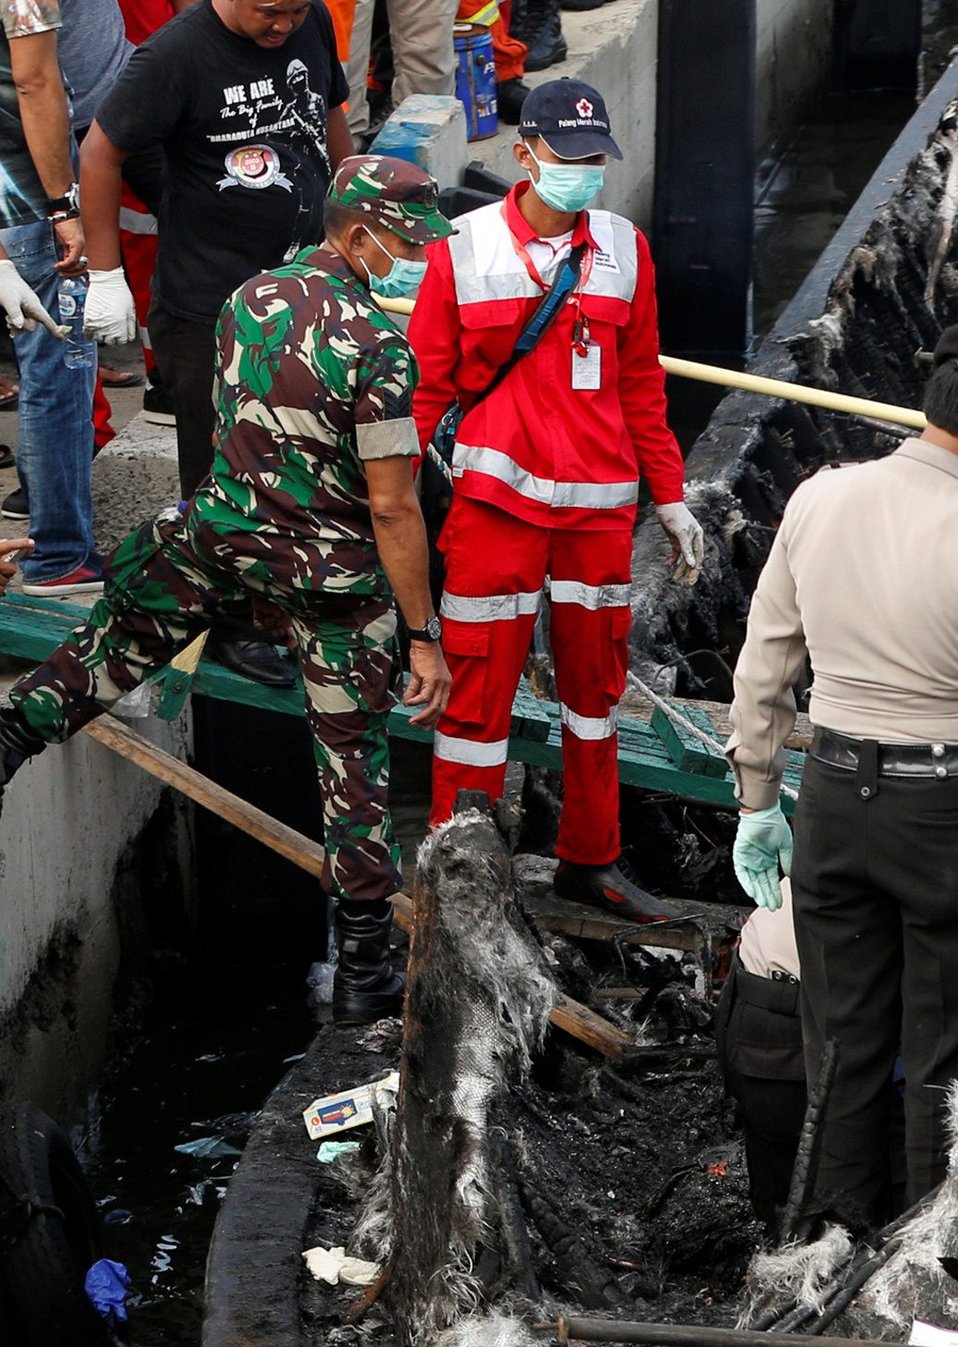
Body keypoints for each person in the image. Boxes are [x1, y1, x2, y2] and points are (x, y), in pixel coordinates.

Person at [0, 153, 452, 1021]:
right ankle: (363, 972)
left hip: (222, 536)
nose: (416, 259)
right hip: (329, 577)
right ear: (359, 236)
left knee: (121, 636)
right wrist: (421, 633)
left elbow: (234, 422)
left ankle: (14, 733)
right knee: (351, 756)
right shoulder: (380, 349)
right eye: (405, 242)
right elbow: (393, 509)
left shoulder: (251, 299)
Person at [723, 314, 958, 1231]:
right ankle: (927, 1274)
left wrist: (757, 798)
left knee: (840, 1044)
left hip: (836, 801)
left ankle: (828, 1249)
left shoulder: (819, 498)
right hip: (950, 820)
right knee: (950, 1060)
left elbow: (765, 665)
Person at [409, 75, 695, 920]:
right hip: (496, 510)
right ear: (522, 156)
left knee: (595, 696)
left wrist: (670, 497)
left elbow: (642, 383)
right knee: (475, 700)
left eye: (594, 158)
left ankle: (591, 860)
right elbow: (424, 392)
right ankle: (459, 878)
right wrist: (384, 505)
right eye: (566, 158)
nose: (583, 173)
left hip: (599, 512)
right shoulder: (458, 251)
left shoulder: (625, 249)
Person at [79, 0, 350, 545]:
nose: (283, 27)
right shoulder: (176, 53)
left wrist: (352, 220)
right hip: (212, 310)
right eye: (269, 12)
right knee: (219, 484)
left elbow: (333, 118)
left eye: (295, 13)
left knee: (314, 458)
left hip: (309, 288)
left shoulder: (311, 20)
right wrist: (106, 275)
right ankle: (226, 616)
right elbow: (99, 153)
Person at [0, 0, 130, 596]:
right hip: (23, 184)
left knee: (50, 362)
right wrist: (62, 204)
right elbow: (33, 77)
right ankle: (57, 555)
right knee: (59, 364)